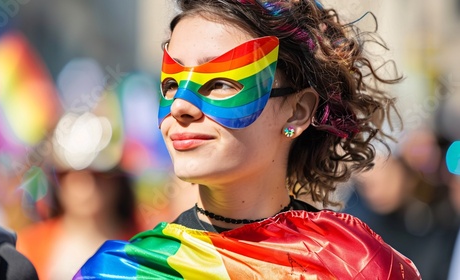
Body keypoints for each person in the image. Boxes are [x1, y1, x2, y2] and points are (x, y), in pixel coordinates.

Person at [74, 0, 421, 279]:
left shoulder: (358, 265)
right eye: (171, 84)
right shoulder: (121, 272)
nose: (180, 106)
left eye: (220, 84)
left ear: (297, 112)